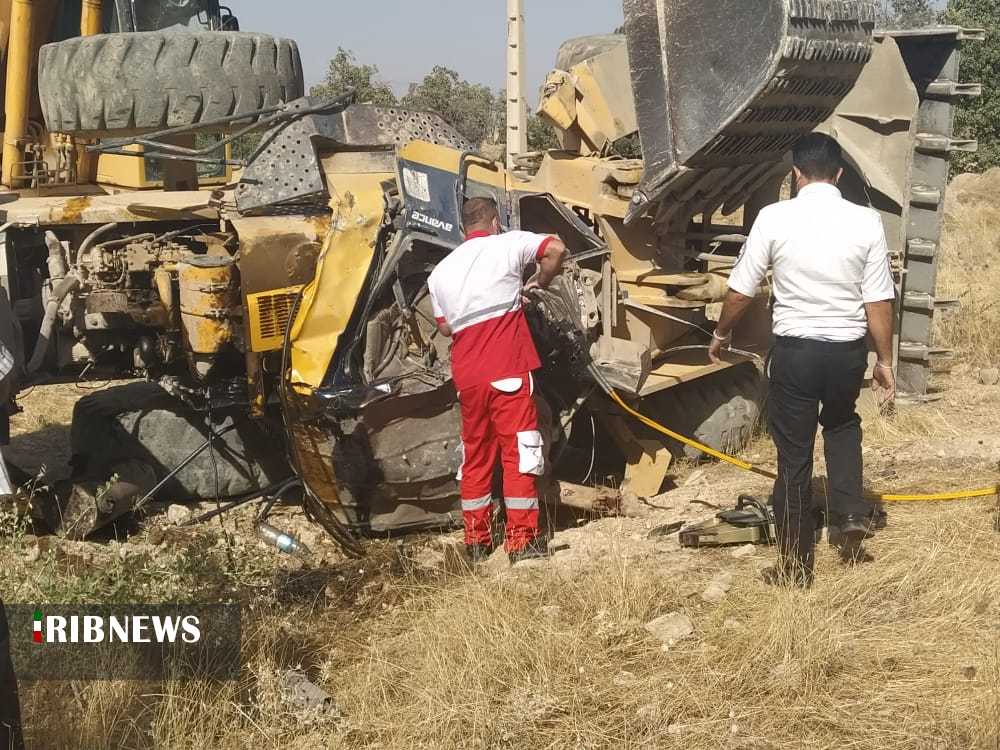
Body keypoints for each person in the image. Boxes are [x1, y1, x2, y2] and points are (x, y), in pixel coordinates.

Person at [708, 132, 896, 587]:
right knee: (842, 423)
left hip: (795, 353)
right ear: (839, 174)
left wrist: (721, 332)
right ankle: (850, 513)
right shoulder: (867, 221)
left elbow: (741, 290)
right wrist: (884, 361)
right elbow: (879, 301)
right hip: (846, 351)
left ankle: (795, 565)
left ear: (795, 174)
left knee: (794, 455)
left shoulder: (774, 218)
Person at [428, 197, 567, 564]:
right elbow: (555, 247)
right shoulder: (506, 244)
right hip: (507, 371)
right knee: (520, 452)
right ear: (494, 223)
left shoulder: (439, 273)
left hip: (468, 379)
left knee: (475, 457)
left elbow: (444, 327)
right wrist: (540, 279)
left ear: (463, 229)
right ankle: (522, 541)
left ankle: (476, 541)